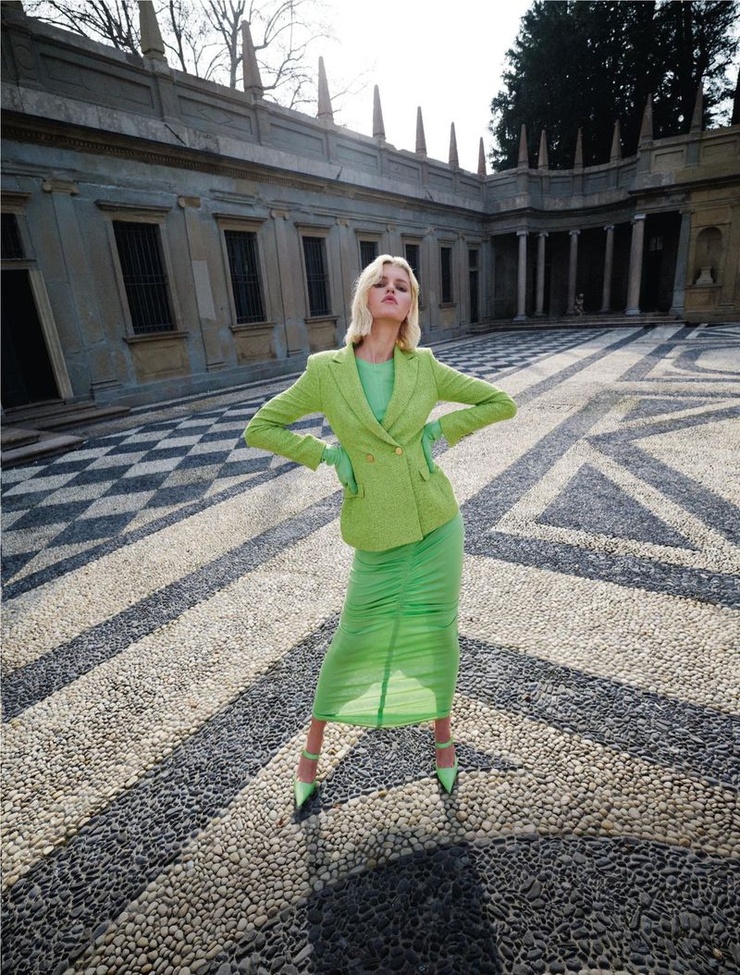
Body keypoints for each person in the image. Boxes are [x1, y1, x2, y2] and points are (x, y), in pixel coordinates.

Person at [245, 255, 517, 808]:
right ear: (365, 297)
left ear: (410, 304)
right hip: (375, 528)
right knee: (354, 637)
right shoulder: (327, 370)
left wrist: (437, 433)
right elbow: (261, 427)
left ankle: (442, 738)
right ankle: (311, 754)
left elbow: (501, 401)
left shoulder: (425, 366)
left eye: (402, 286)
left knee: (436, 631)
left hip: (435, 523)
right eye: (381, 283)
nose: (392, 291)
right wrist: (329, 456)